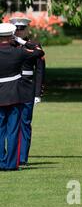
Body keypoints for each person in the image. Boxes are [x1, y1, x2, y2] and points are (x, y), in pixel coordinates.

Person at [0, 23, 45, 171]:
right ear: (11, 35)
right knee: (13, 131)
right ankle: (11, 164)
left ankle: (1, 161)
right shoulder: (18, 52)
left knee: (0, 130)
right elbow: (39, 51)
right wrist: (23, 41)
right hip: (14, 95)